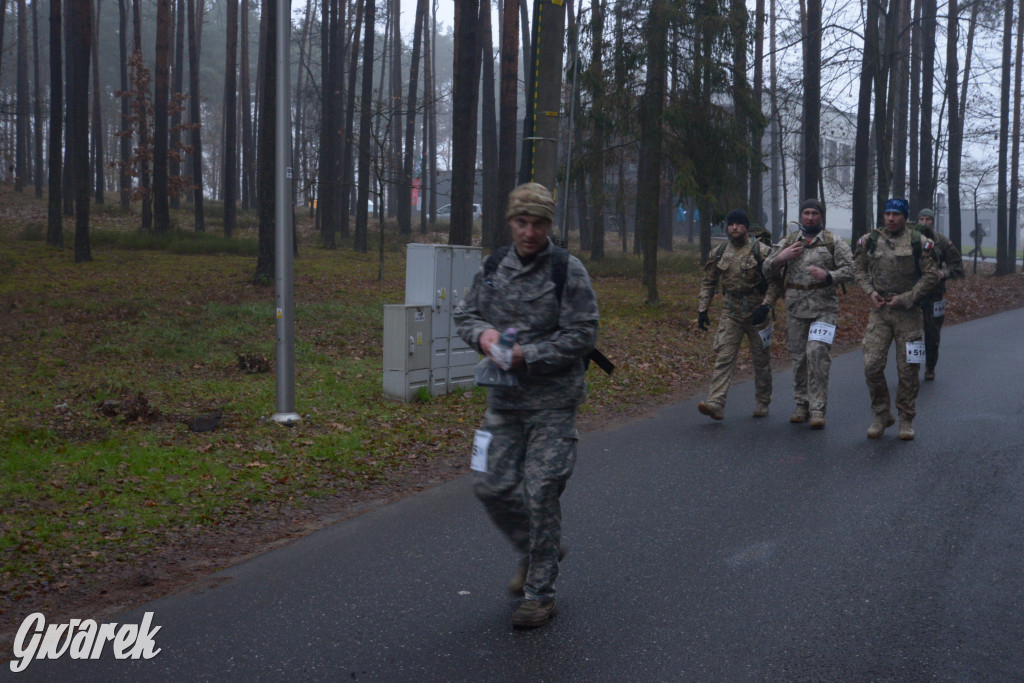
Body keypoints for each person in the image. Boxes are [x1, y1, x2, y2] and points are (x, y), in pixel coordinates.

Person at [454, 182, 599, 628]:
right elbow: (465, 314)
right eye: (522, 222)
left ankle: (540, 593)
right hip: (504, 401)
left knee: (540, 493)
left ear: (548, 225)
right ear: (510, 222)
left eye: (537, 223)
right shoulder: (494, 266)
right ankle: (536, 546)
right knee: (488, 484)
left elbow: (583, 334)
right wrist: (483, 335)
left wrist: (528, 356)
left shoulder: (565, 269)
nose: (529, 232)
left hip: (553, 403)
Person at [762, 198, 855, 429]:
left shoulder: (833, 242)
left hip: (824, 309)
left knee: (816, 353)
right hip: (795, 309)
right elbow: (765, 268)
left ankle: (817, 408)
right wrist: (781, 258)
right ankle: (801, 404)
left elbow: (852, 271)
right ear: (801, 215)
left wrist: (829, 276)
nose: (810, 217)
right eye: (806, 213)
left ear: (821, 217)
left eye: (814, 213)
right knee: (799, 358)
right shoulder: (790, 241)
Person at [853, 198, 940, 440]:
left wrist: (907, 298)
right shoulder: (869, 240)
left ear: (904, 217)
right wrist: (870, 292)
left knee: (908, 370)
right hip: (879, 312)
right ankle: (882, 414)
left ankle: (905, 419)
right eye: (887, 214)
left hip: (908, 314)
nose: (891, 218)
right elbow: (857, 269)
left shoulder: (918, 242)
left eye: (896, 214)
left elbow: (931, 276)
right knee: (871, 365)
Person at [696, 209, 782, 420]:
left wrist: (767, 305)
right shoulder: (719, 252)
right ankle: (715, 402)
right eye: (731, 224)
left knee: (761, 361)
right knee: (724, 358)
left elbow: (776, 283)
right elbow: (708, 282)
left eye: (739, 224)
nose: (734, 227)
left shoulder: (761, 252)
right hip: (731, 314)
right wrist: (702, 309)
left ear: (746, 226)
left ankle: (762, 401)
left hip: (757, 315)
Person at [913, 208, 965, 380]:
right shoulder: (909, 238)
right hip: (911, 293)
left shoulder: (941, 241)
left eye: (928, 219)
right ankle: (911, 369)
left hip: (934, 294)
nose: (925, 222)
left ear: (933, 222)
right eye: (922, 219)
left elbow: (957, 265)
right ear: (917, 220)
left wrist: (944, 274)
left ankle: (930, 367)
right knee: (910, 334)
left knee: (932, 333)